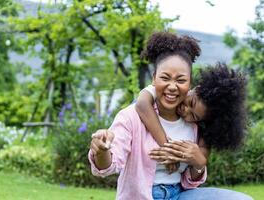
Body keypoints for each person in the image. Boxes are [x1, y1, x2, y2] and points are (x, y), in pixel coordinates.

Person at [88, 32, 252, 200]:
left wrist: (198, 163)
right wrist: (101, 150)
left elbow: (190, 183)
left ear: (190, 84)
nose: (172, 87)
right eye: (165, 78)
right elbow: (108, 166)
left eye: (181, 80)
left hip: (178, 195)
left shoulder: (195, 127)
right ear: (154, 78)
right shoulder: (131, 117)